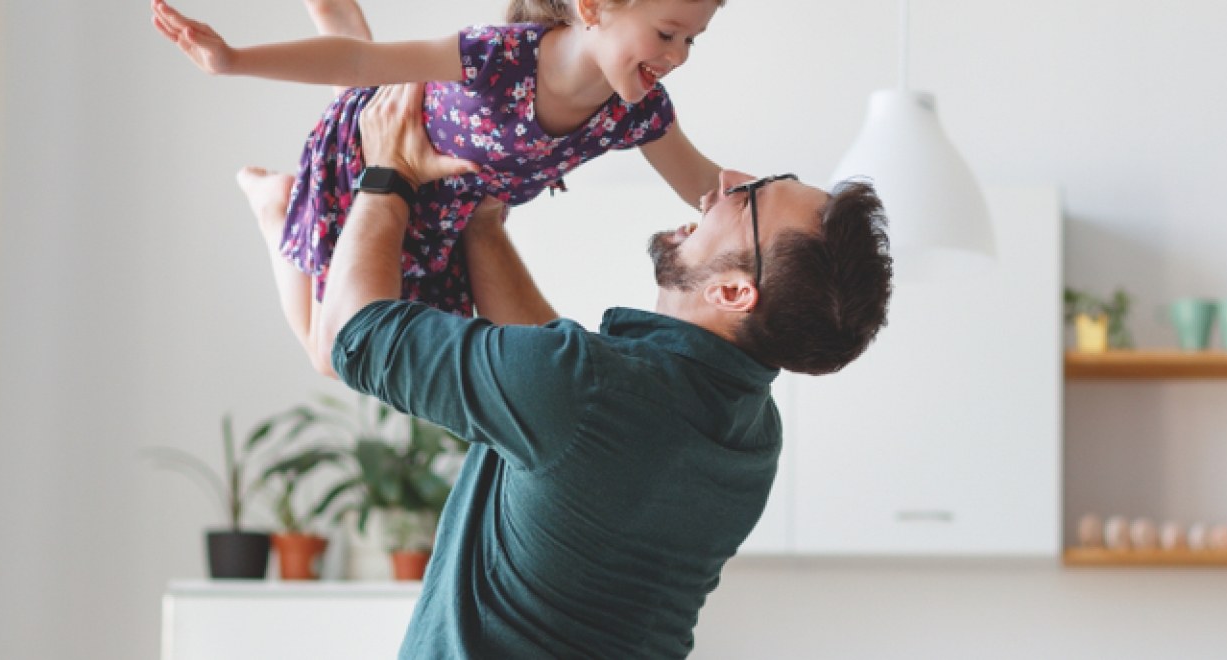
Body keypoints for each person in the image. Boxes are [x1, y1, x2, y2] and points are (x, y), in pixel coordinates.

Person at [276, 80, 891, 658]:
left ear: (733, 293)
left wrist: (390, 171)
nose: (726, 180)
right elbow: (556, 385)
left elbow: (350, 337)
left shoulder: (587, 391)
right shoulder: (749, 434)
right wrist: (481, 220)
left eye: (751, 196)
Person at [153, 0, 732, 373]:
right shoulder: (498, 57)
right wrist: (229, 58)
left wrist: (816, 207)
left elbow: (708, 185)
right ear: (594, 7)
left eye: (692, 40)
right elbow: (359, 62)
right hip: (370, 161)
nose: (677, 56)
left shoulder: (638, 112)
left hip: (441, 219)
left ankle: (340, 15)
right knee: (332, 357)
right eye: (667, 33)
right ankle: (276, 207)